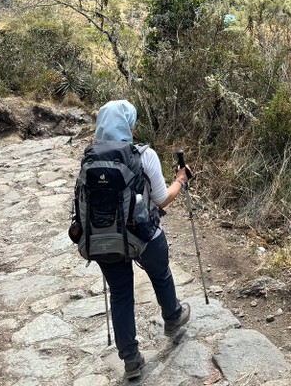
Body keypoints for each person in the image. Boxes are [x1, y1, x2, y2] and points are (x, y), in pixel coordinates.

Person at [92, 100, 192, 380]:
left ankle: (131, 359)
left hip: (104, 240)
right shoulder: (144, 155)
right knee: (160, 272)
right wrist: (181, 181)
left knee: (121, 294)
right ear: (130, 126)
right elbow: (162, 199)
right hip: (142, 235)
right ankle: (172, 318)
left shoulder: (90, 157)